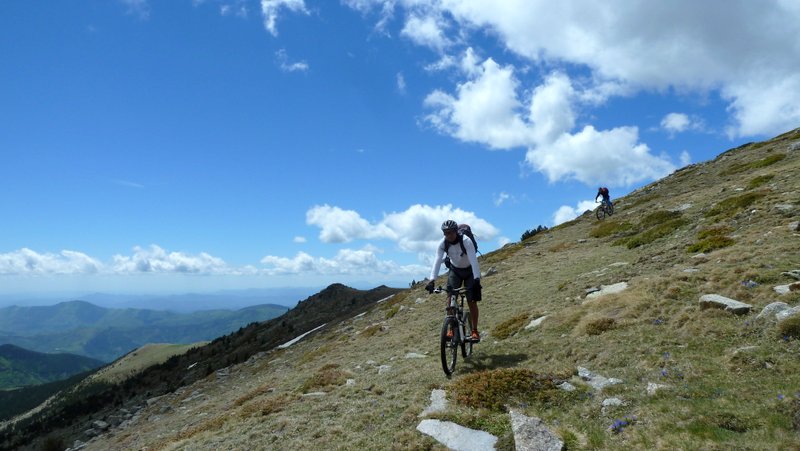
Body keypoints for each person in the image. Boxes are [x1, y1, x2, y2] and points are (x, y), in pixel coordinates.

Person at [425, 220, 482, 342]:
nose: (448, 235)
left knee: (471, 301)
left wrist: (477, 279)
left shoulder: (466, 241)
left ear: (456, 231)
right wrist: (432, 280)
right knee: (450, 298)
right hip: (455, 270)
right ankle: (451, 327)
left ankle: (474, 331)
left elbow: (473, 260)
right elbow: (437, 261)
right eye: (445, 233)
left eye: (450, 232)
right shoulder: (443, 244)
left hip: (470, 271)